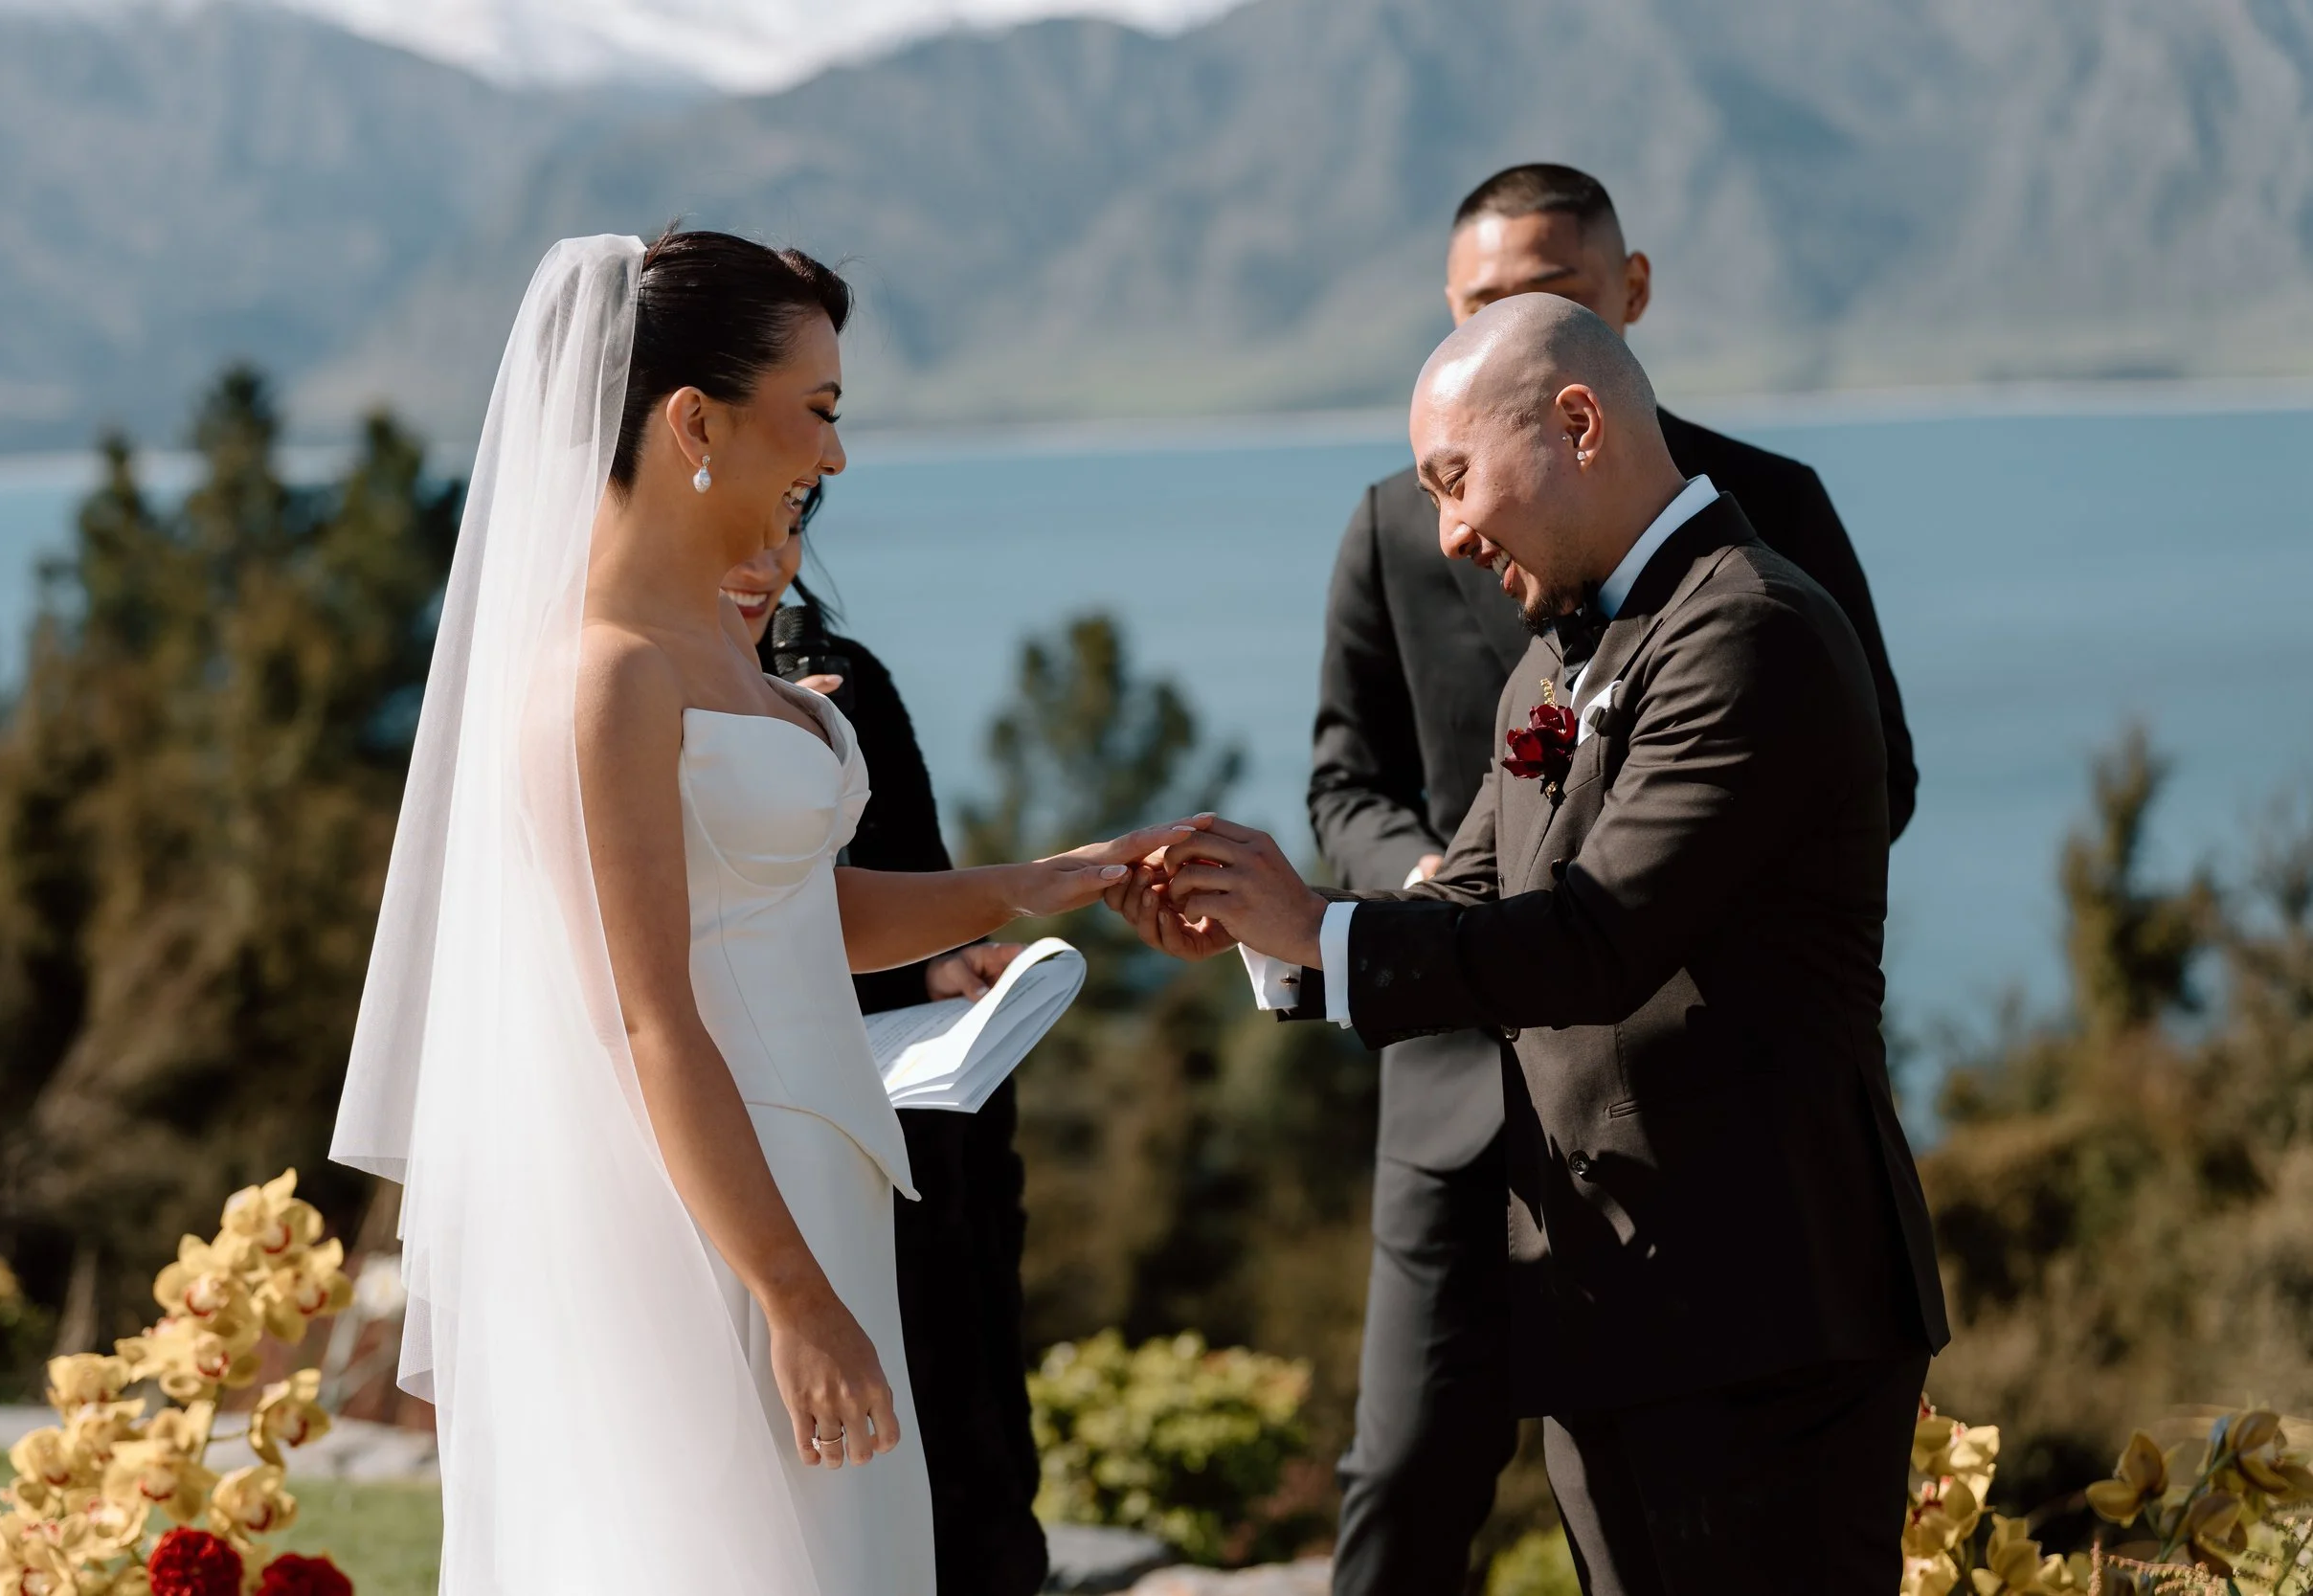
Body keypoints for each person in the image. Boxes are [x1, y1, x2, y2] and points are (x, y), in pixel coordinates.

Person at [331, 231, 1185, 1595]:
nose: (835, 457)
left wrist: (1041, 881)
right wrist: (789, 1289)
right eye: (822, 410)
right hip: (714, 1213)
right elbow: (647, 1015)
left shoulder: (719, 641)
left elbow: (796, 916)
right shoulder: (605, 677)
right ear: (694, 421)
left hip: (824, 1170)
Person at [1113, 295, 1948, 1595]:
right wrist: (1273, 927)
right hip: (1613, 1302)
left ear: (1577, 421)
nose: (1446, 529)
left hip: (1763, 1315)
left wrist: (1319, 923)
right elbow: (1478, 898)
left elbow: (1592, 940)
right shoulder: (1561, 660)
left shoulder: (1749, 631)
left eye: (1457, 479)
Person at [1304, 162, 1919, 1595]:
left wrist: (1669, 872)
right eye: (1475, 305)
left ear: (1615, 321)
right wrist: (1332, 912)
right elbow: (1361, 781)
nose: (1454, 527)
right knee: (1407, 1475)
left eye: (1542, 302)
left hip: (1716, 1190)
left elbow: (1844, 786)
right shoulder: (1444, 556)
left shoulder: (1749, 570)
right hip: (1486, 1116)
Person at [724, 482, 1050, 1596]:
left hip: (899, 1156)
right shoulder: (606, 689)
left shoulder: (847, 681)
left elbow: (897, 894)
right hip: (711, 1162)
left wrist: (948, 959)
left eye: (796, 517)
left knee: (944, 1495)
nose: (771, 556)